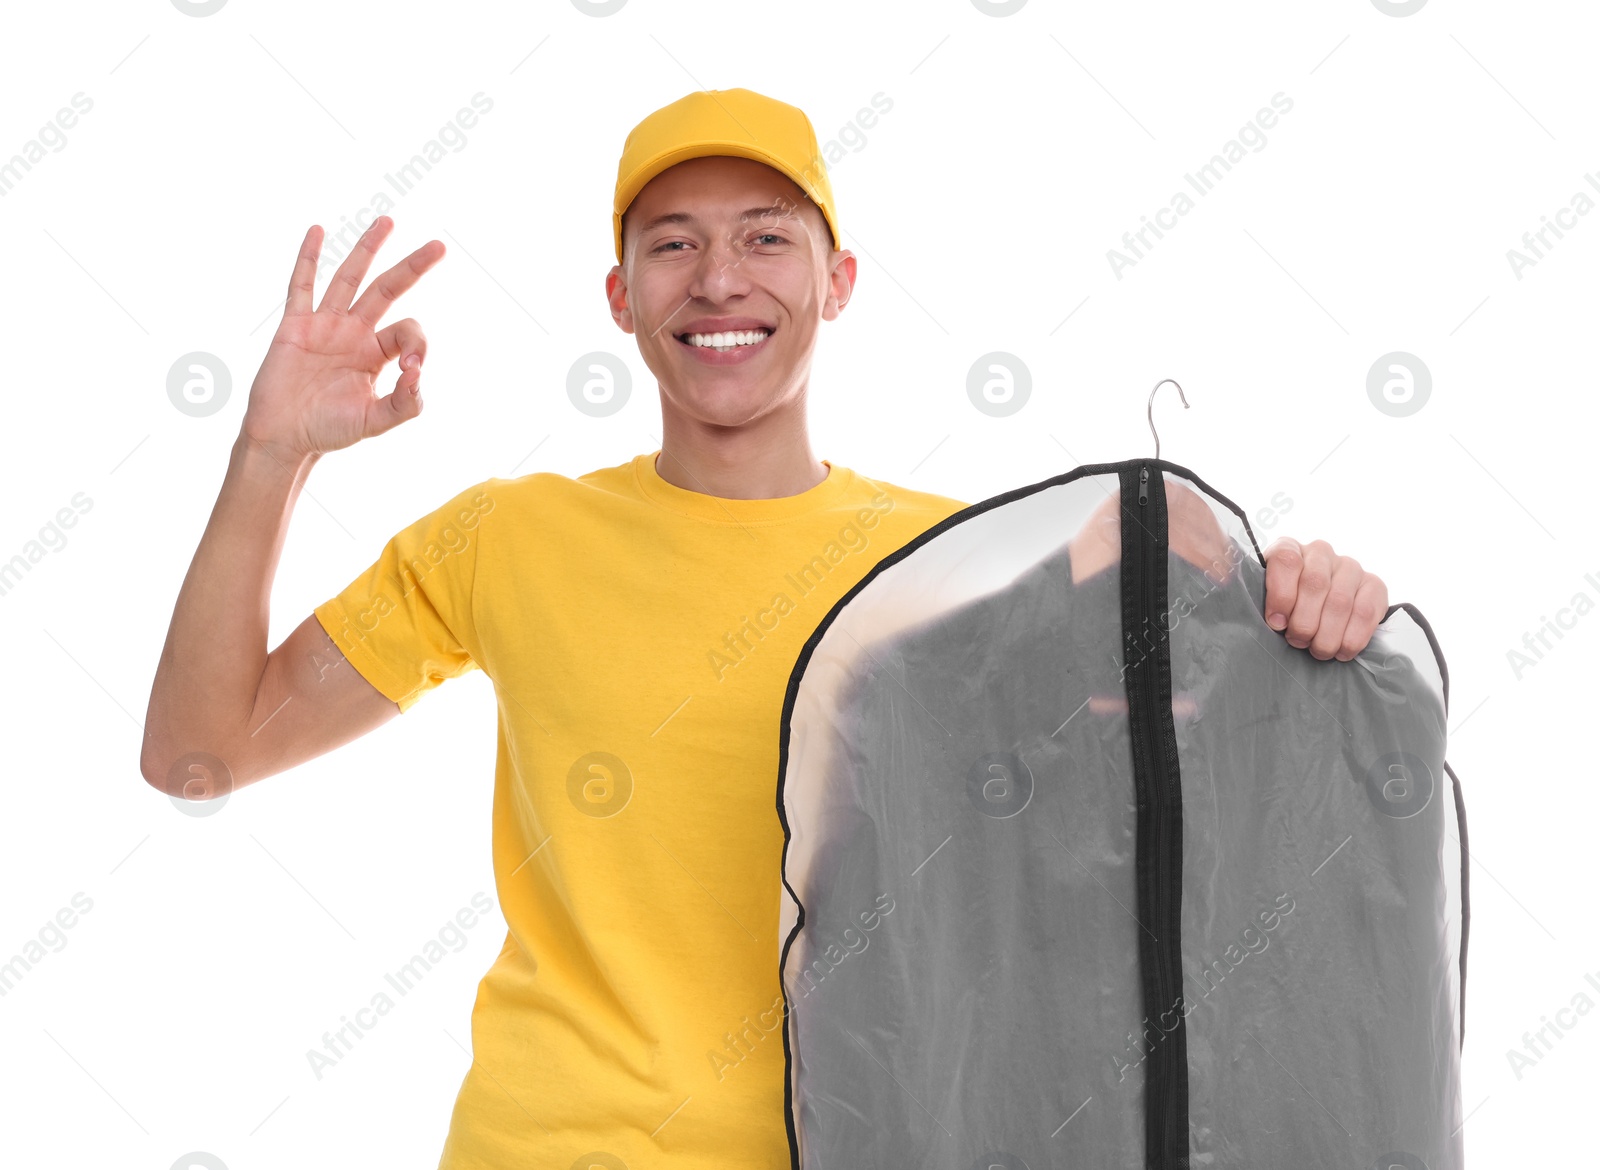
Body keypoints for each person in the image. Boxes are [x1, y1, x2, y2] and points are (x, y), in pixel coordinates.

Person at [139, 87, 1390, 1169]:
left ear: (837, 282)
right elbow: (200, 752)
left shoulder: (967, 566)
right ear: (621, 296)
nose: (719, 280)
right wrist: (270, 456)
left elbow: (1175, 801)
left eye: (766, 238)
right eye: (672, 245)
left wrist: (1303, 611)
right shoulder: (506, 540)